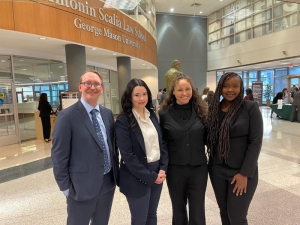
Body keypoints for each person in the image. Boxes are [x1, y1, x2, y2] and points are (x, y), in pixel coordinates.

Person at [51, 70, 119, 225]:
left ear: (102, 88)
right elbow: (58, 155)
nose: (92, 87)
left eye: (96, 84)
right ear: (80, 87)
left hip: (107, 184)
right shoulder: (67, 116)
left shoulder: (107, 114)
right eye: (88, 83)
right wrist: (66, 188)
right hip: (80, 187)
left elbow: (111, 146)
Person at [207, 72, 263, 225]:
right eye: (226, 86)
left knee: (237, 216)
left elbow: (255, 142)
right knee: (224, 212)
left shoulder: (250, 108)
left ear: (241, 88)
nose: (230, 90)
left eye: (235, 86)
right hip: (217, 169)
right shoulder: (214, 109)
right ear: (220, 88)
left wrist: (244, 173)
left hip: (240, 171)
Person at [115, 78, 168, 225]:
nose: (141, 98)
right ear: (130, 97)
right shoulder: (123, 121)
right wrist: (150, 176)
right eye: (137, 95)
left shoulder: (152, 115)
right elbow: (128, 155)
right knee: (140, 219)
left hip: (157, 172)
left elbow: (162, 143)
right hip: (136, 176)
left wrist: (163, 168)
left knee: (152, 215)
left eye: (144, 94)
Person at [159, 74, 208, 225]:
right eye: (180, 90)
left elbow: (209, 137)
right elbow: (162, 143)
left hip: (198, 168)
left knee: (197, 209)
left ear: (192, 90)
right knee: (178, 208)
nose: (184, 93)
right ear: (173, 92)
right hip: (175, 168)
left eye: (187, 89)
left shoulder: (202, 111)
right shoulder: (164, 114)